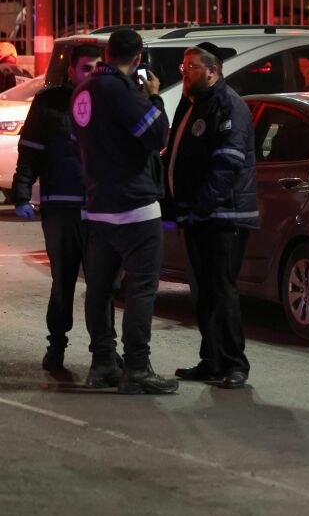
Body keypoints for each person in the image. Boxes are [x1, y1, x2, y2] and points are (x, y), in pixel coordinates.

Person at [71, 28, 178, 395]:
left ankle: (102, 363)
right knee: (142, 289)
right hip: (134, 208)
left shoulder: (82, 91)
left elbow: (78, 143)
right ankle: (136, 368)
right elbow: (158, 136)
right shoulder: (121, 91)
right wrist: (153, 98)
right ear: (137, 58)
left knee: (99, 290)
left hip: (97, 207)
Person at [165, 43, 258, 389]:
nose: (184, 73)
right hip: (197, 215)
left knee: (221, 289)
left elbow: (227, 164)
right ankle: (211, 360)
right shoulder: (191, 104)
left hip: (223, 215)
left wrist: (200, 205)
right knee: (203, 291)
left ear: (212, 70)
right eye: (183, 67)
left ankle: (235, 363)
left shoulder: (228, 105)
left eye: (191, 67)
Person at [10, 44, 102, 372]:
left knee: (102, 284)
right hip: (60, 208)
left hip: (99, 210)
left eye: (98, 67)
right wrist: (21, 195)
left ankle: (104, 353)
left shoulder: (108, 101)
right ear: (70, 71)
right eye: (86, 68)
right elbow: (30, 150)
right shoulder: (49, 103)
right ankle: (57, 347)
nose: (92, 73)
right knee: (63, 280)